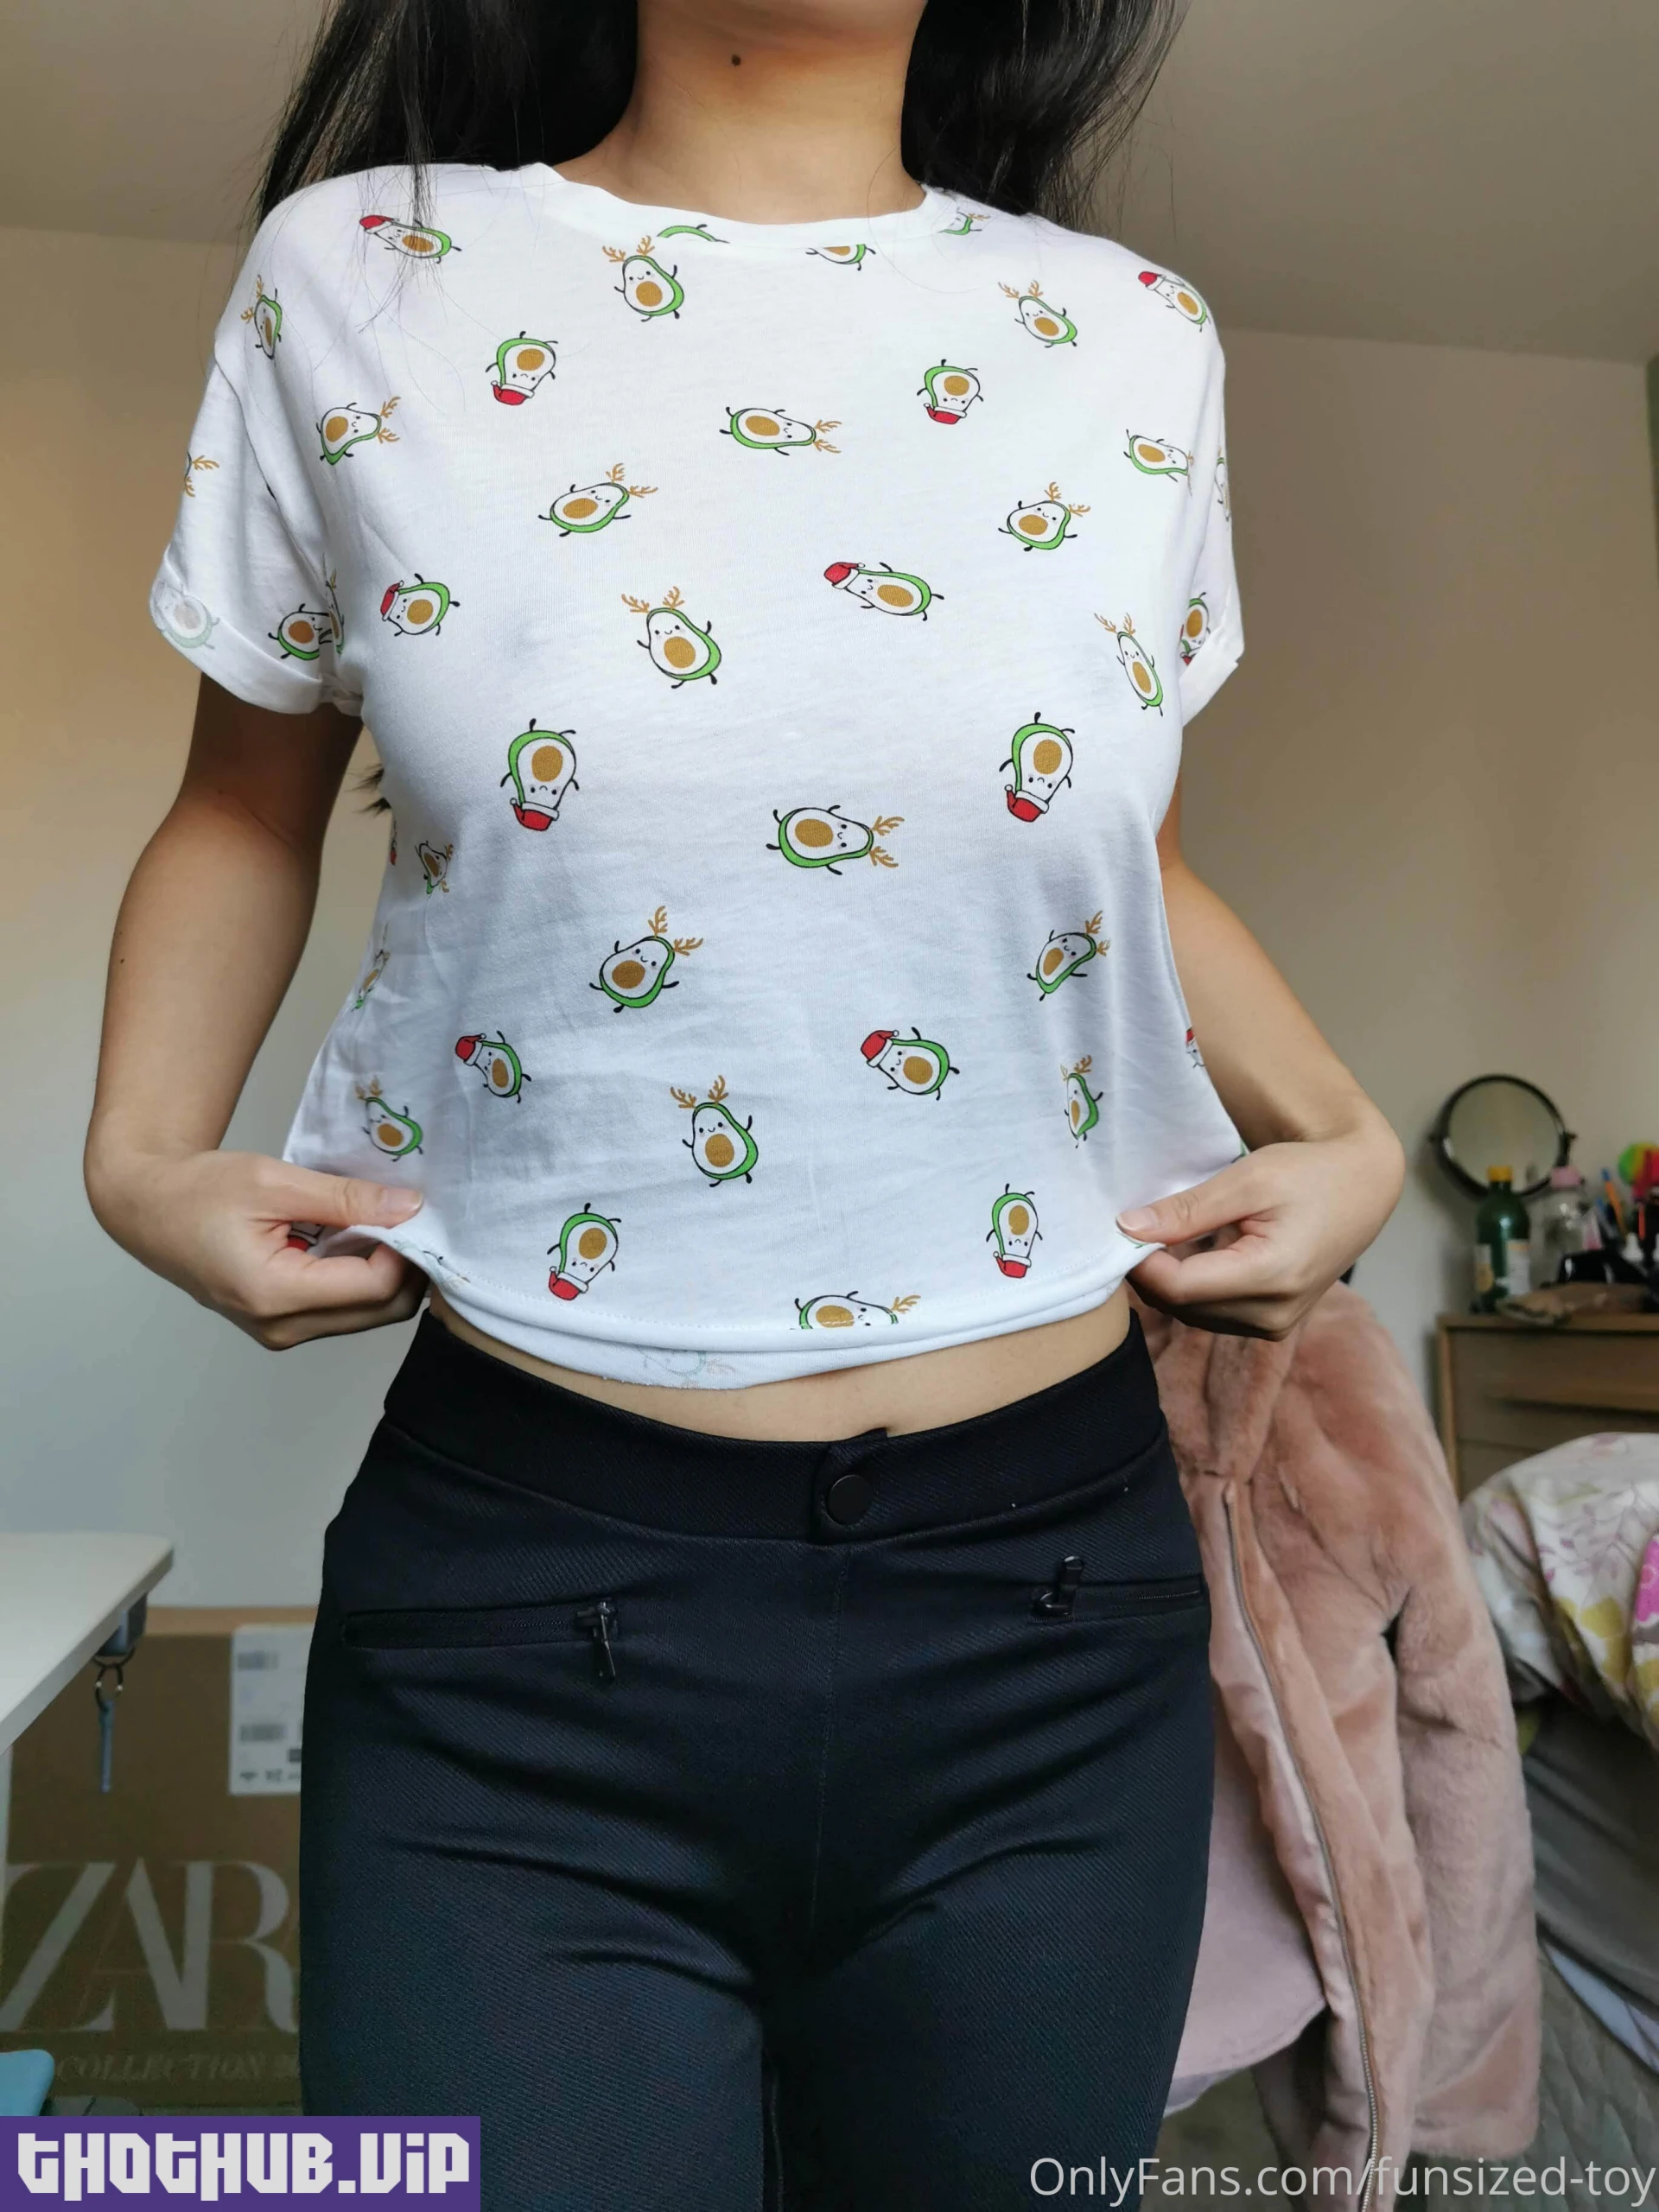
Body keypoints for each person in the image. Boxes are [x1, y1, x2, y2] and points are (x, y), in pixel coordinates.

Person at [85, 1, 1406, 2202]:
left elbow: (1113, 852)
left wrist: (1345, 1127)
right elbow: (242, 800)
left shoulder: (1128, 340)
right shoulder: (365, 271)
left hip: (1048, 1623)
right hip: (524, 1623)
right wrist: (137, 1157)